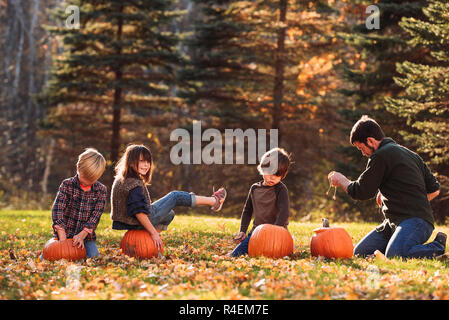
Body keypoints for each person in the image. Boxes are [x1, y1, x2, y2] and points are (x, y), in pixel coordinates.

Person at [329, 115, 445, 259]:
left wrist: (341, 180)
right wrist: (406, 199)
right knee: (360, 253)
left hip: (416, 222)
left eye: (361, 148)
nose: (363, 153)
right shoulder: (411, 154)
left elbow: (361, 191)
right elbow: (434, 190)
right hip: (392, 224)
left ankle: (437, 246)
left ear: (370, 141)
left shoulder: (380, 155)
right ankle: (402, 245)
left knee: (395, 254)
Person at [110, 144, 227, 251]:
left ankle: (150, 242)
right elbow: (139, 212)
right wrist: (153, 233)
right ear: (131, 162)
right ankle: (214, 201)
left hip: (130, 222)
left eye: (148, 162)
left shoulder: (124, 179)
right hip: (136, 221)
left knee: (169, 214)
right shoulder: (132, 184)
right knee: (175, 196)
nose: (146, 165)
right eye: (142, 161)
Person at [230, 147, 292, 257]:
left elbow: (284, 211)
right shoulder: (255, 188)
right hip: (256, 234)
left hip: (277, 235)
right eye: (270, 173)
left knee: (275, 254)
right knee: (235, 255)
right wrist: (243, 230)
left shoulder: (280, 189)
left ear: (283, 175)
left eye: (277, 175)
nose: (272, 177)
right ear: (262, 168)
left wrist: (275, 230)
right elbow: (247, 211)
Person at [48, 148, 107, 258]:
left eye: (91, 180)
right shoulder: (67, 185)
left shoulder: (101, 190)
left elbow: (95, 216)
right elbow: (57, 209)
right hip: (64, 234)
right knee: (50, 256)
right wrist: (62, 238)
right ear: (78, 168)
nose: (87, 182)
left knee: (93, 256)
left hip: (85, 237)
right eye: (84, 177)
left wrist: (82, 235)